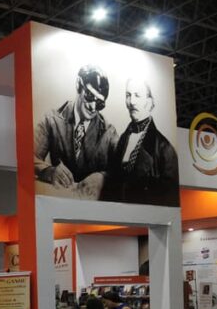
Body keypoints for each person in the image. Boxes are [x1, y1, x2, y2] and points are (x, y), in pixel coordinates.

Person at [34, 64, 118, 198]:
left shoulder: (109, 132)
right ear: (79, 84)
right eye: (90, 96)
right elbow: (29, 156)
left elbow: (123, 170)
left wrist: (103, 178)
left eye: (99, 103)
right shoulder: (52, 119)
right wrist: (48, 171)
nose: (93, 107)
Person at [102, 78, 179, 205]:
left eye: (137, 95)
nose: (131, 102)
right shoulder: (122, 140)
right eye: (128, 95)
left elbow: (169, 199)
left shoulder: (164, 149)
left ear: (149, 102)